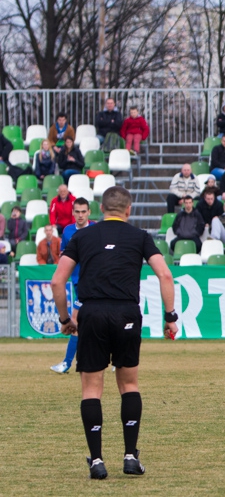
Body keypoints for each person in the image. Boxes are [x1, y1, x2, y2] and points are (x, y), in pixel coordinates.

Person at [51, 186, 177, 479]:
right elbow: (165, 274)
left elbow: (58, 282)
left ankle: (96, 461)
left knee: (91, 390)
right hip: (127, 313)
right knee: (129, 385)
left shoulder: (81, 236)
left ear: (101, 210)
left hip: (92, 314)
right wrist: (170, 317)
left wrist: (66, 319)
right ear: (128, 210)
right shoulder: (140, 236)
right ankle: (131, 456)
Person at [50, 198, 94, 374]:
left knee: (76, 320)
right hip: (77, 282)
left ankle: (67, 363)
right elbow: (64, 255)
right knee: (91, 322)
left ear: (89, 212)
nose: (81, 215)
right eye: (77, 211)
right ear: (73, 213)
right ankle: (116, 360)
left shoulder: (96, 229)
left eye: (84, 211)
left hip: (92, 283)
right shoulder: (68, 231)